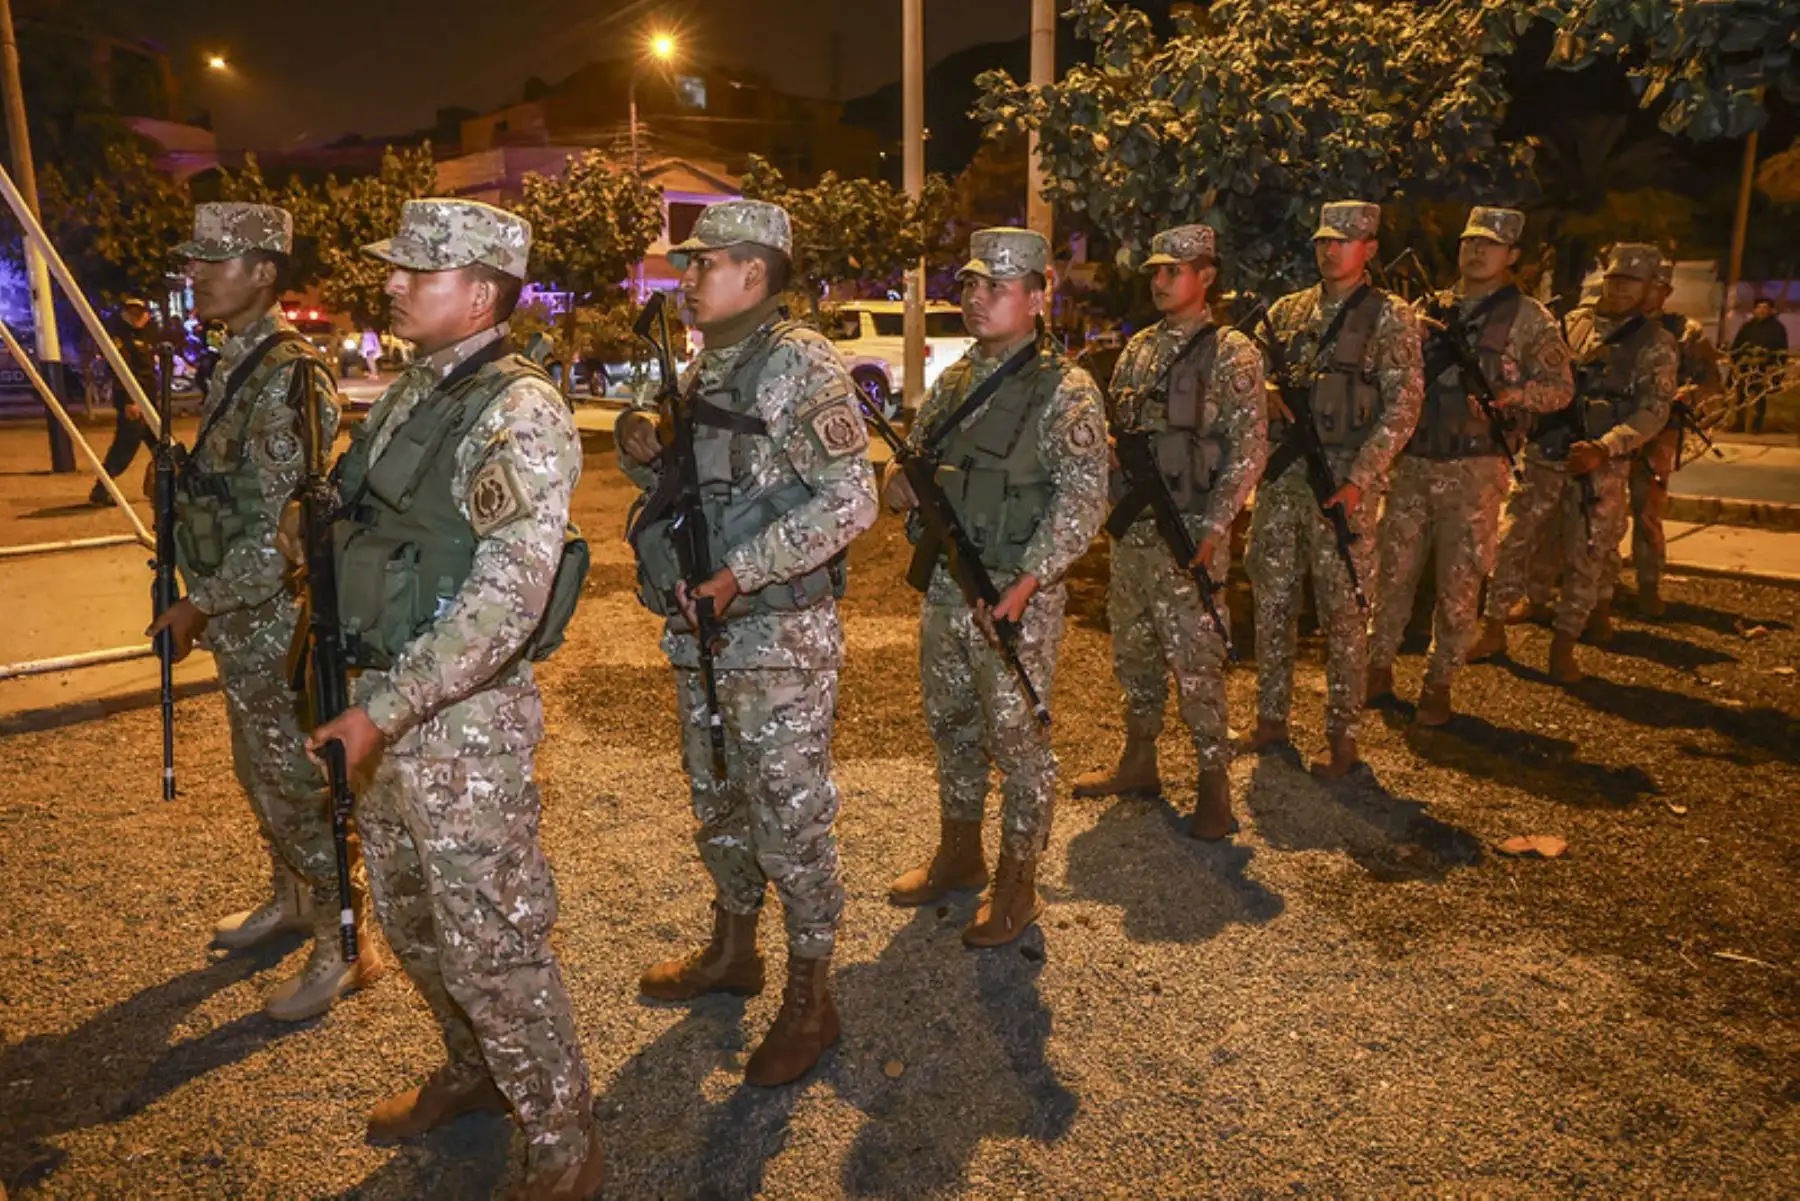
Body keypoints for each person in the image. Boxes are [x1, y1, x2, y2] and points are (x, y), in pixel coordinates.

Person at [302, 198, 603, 1200]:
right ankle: (476, 1073)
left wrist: (382, 713)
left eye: (412, 273)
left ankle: (563, 1138)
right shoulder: (410, 391)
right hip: (383, 696)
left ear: (478, 292)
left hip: (458, 722)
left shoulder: (517, 410)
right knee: (414, 917)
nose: (389, 284)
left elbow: (508, 598)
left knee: (492, 941)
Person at [617, 199, 877, 1087]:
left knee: (792, 815)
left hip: (775, 636)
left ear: (755, 275)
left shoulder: (801, 364)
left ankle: (813, 996)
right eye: (686, 267)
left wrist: (742, 574)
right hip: (705, 634)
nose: (685, 281)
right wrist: (647, 448)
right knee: (718, 794)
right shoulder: (708, 364)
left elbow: (851, 499)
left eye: (702, 265)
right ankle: (735, 946)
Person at [144, 202, 383, 1021]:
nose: (199, 273)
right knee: (259, 773)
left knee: (295, 782)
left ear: (264, 274)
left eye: (219, 259)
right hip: (238, 619)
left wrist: (196, 604)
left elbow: (280, 533)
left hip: (270, 617)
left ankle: (342, 943)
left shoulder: (285, 371)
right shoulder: (235, 359)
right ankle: (290, 898)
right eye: (197, 259)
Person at [883, 227, 1107, 946]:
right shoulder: (953, 378)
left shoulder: (1065, 390)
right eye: (972, 286)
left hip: (1018, 596)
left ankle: (1018, 882)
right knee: (951, 723)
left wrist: (1030, 580)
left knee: (1019, 743)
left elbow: (1083, 500)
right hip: (950, 586)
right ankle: (960, 850)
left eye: (997, 288)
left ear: (1039, 297)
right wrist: (898, 487)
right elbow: (921, 462)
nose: (977, 300)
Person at [1069, 223, 1267, 837]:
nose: (1158, 281)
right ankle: (1139, 759)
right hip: (1135, 532)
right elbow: (1126, 432)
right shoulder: (1139, 349)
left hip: (1191, 529)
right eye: (1155, 271)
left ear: (1204, 276)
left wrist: (1216, 525)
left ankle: (1215, 785)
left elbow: (1250, 446)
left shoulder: (1232, 352)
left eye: (1172, 271)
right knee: (1134, 649)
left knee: (1198, 660)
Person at [1366, 207, 1572, 725]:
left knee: (1459, 583)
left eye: (1490, 245)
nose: (1477, 252)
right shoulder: (1426, 309)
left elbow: (1561, 388)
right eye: (1470, 242)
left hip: (1475, 469)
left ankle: (1439, 683)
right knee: (1392, 575)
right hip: (1413, 463)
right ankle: (1377, 667)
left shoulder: (1529, 318)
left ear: (1513, 256)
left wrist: (1512, 396)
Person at [1248, 200, 1423, 777]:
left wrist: (1359, 479)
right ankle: (1270, 719)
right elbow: (1245, 372)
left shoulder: (1389, 317)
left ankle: (1343, 737)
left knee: (1344, 612)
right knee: (1272, 602)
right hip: (1282, 480)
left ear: (1369, 249)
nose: (1329, 250)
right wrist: (1265, 389)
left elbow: (1403, 406)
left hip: (1344, 484)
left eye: (1342, 242)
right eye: (1323, 240)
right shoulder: (1286, 312)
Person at [1470, 243, 1678, 683]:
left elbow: (1653, 410)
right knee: (1512, 542)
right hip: (1547, 454)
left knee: (1588, 555)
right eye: (1616, 279)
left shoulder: (1656, 345)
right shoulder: (1571, 324)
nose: (1620, 289)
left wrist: (1605, 447)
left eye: (1631, 283)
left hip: (1601, 467)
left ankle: (1563, 646)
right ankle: (1491, 629)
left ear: (1649, 290)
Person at [1594, 254, 1723, 621]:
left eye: (1653, 285)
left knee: (1647, 511)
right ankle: (1601, 586)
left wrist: (1689, 395)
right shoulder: (1608, 323)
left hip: (1656, 435)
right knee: (1600, 511)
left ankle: (1648, 587)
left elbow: (1712, 382)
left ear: (1664, 290)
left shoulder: (1684, 331)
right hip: (1610, 431)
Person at [87, 297, 159, 506]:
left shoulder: (146, 335)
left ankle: (166, 488)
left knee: (163, 448)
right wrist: (130, 400)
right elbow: (122, 371)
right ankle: (101, 490)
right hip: (135, 403)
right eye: (131, 313)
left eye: (140, 313)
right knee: (124, 448)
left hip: (148, 401)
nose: (137, 317)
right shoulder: (121, 338)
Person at [1728, 296, 1787, 434]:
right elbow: (1737, 345)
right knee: (1741, 395)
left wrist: (1776, 368)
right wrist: (1735, 360)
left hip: (1763, 368)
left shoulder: (1777, 329)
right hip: (1745, 367)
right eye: (1759, 307)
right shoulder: (1747, 327)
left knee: (1760, 397)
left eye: (1765, 308)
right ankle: (1739, 424)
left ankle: (1756, 426)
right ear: (1754, 310)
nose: (1761, 310)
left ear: (1771, 310)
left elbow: (1781, 349)